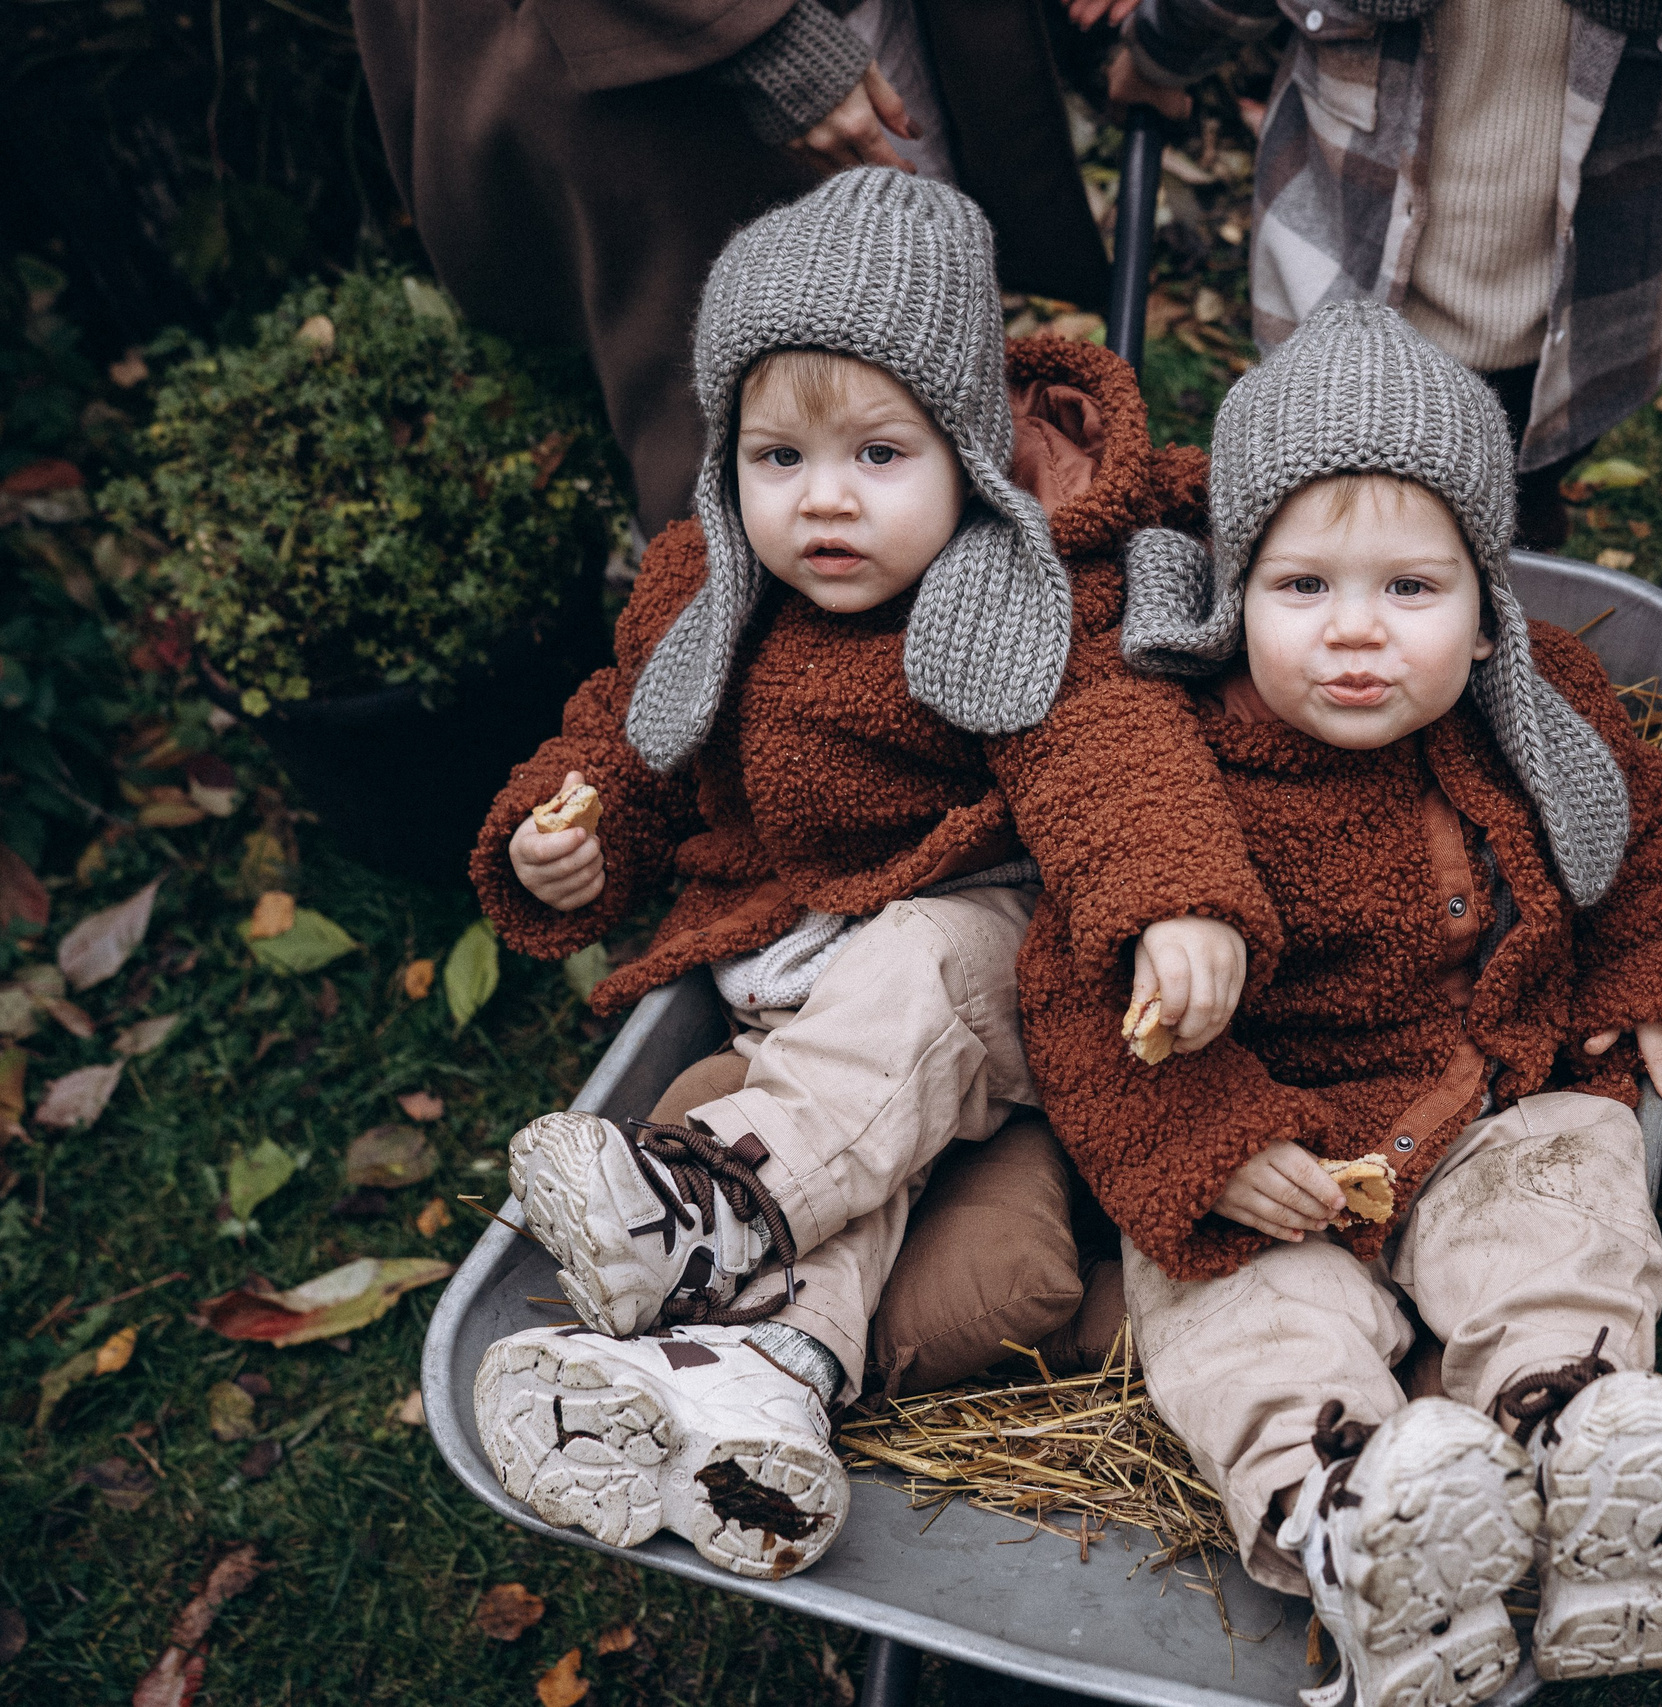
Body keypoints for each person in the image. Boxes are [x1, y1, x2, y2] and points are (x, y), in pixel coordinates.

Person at [464, 171, 1269, 1579]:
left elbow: (1110, 753)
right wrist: (563, 836)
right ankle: (764, 1372)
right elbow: (625, 742)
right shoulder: (704, 589)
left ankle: (710, 1208)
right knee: (846, 1155)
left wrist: (1172, 899)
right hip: (799, 1010)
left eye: (879, 455)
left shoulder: (1012, 593)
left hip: (990, 968)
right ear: (728, 462)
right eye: (778, 458)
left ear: (964, 446)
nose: (823, 499)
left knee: (918, 975)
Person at [1019, 302, 1662, 1703]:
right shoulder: (1178, 768)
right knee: (1243, 1327)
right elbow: (1070, 989)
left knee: (1563, 1193)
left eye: (1411, 590)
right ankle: (1353, 1506)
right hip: (1268, 1148)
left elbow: (1654, 837)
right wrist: (1214, 1142)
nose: (1356, 634)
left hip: (1481, 1086)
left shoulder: (1547, 706)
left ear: (1489, 607)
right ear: (1235, 594)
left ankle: (1572, 1422)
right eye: (1303, 588)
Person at [1101, 0, 1662, 547]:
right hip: (1341, 324)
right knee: (1335, 531)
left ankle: (1517, 581)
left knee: (1507, 519)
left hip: (1562, 349)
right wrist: (1155, 60)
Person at [354, 0, 1112, 535]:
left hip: (854, 39)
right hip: (652, 67)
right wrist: (752, 26)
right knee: (736, 435)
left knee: (914, 368)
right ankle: (767, 703)